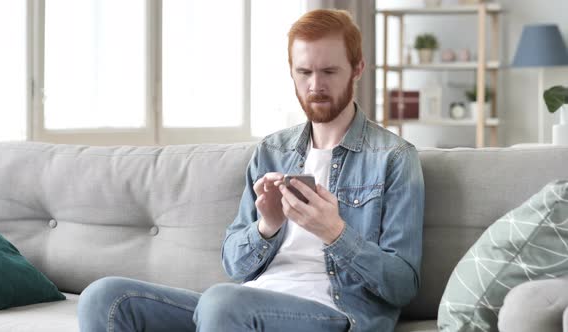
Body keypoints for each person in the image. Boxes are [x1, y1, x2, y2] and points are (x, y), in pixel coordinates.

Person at [78, 9, 424, 332]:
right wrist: (267, 226)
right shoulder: (272, 152)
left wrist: (334, 232)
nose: (315, 85)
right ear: (291, 71)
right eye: (304, 72)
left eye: (329, 71)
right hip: (250, 303)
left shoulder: (393, 157)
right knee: (106, 296)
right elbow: (235, 265)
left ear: (357, 68)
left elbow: (401, 285)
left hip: (336, 312)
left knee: (223, 302)